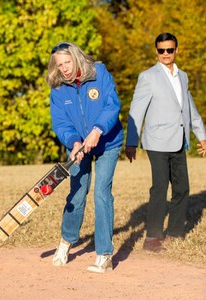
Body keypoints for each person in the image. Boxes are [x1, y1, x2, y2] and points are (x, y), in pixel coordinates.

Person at [125, 32, 206, 253]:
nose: (165, 54)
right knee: (160, 188)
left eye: (169, 50)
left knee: (182, 188)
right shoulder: (148, 76)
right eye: (161, 50)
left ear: (176, 50)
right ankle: (152, 237)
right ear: (156, 51)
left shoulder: (183, 76)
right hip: (156, 141)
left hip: (179, 140)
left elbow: (188, 107)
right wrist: (131, 142)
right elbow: (137, 110)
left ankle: (175, 232)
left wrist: (201, 134)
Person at [46, 42, 123, 273]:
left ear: (76, 58)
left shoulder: (99, 73)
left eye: (67, 62)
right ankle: (65, 243)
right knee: (77, 194)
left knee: (101, 193)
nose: (65, 69)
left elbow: (112, 104)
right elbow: (60, 122)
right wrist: (75, 142)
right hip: (80, 148)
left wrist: (97, 130)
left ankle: (104, 254)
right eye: (60, 65)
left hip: (107, 141)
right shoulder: (58, 88)